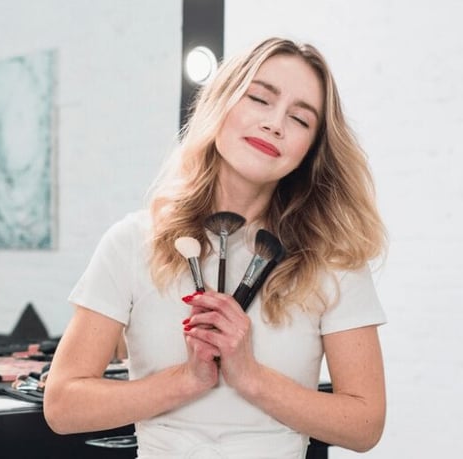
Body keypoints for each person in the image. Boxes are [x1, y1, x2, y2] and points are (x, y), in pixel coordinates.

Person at [43, 37, 387, 458]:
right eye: (260, 98)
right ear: (221, 103)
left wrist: (251, 376)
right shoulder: (132, 242)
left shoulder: (333, 260)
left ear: (310, 151)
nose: (275, 123)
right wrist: (188, 379)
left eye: (300, 119)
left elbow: (366, 425)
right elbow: (62, 406)